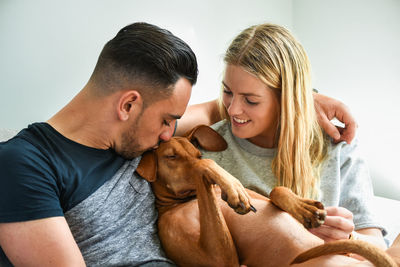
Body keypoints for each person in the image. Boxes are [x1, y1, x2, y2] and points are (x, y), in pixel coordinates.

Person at [0, 21, 357, 266]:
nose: (171, 134)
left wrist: (304, 98)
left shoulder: (135, 133)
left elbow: (226, 107)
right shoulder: (25, 164)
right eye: (168, 120)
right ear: (128, 105)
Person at [183, 23, 386, 250]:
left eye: (251, 100)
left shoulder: (337, 148)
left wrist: (346, 238)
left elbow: (378, 246)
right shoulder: (210, 149)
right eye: (227, 92)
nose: (232, 110)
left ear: (286, 99)